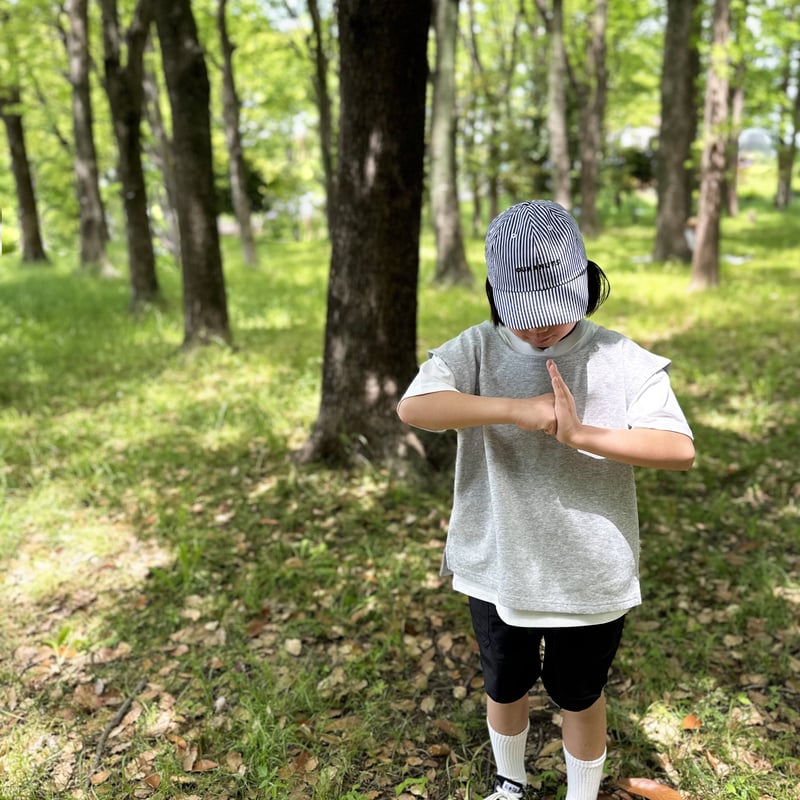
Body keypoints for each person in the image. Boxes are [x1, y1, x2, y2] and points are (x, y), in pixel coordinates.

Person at [397, 200, 695, 800]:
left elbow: (678, 448)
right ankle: (510, 783)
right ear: (496, 296)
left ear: (585, 286)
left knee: (580, 694)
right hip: (498, 561)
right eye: (524, 314)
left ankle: (581, 794)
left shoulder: (619, 357)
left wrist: (581, 434)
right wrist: (516, 410)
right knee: (504, 685)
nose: (540, 329)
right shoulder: (476, 349)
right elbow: (415, 407)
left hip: (589, 573)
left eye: (556, 313)